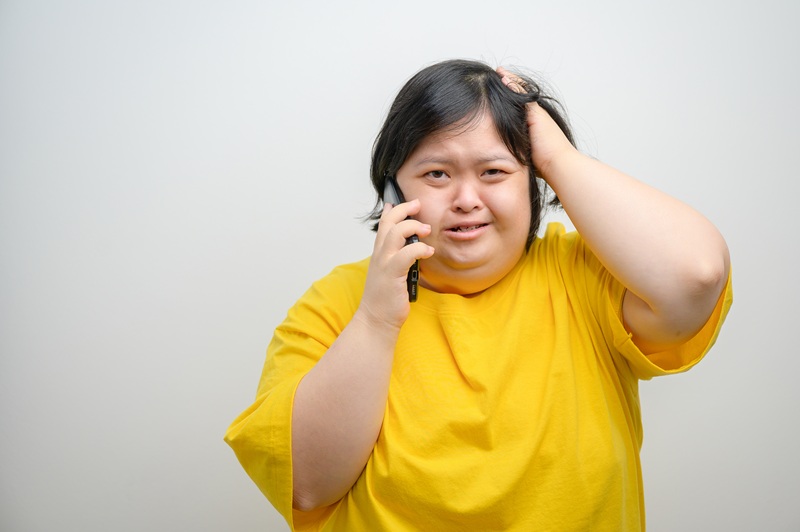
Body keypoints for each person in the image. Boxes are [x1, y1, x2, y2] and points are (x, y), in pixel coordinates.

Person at [225, 59, 732, 531]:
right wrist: (377, 320)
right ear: (394, 193)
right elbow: (309, 485)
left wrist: (555, 154)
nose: (467, 200)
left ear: (532, 181)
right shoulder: (335, 303)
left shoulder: (584, 275)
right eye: (437, 174)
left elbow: (697, 276)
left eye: (494, 172)